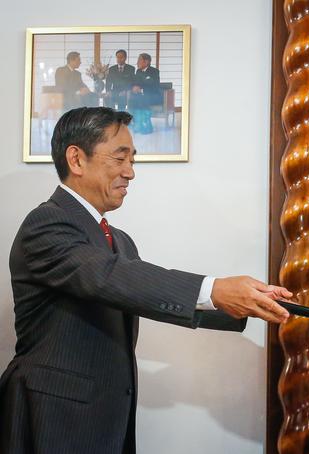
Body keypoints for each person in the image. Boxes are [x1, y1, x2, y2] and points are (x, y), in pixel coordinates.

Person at [0, 107, 292, 453]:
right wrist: (215, 290)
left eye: (133, 159)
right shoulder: (45, 225)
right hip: (54, 414)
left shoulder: (118, 239)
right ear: (76, 160)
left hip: (107, 416)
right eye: (120, 158)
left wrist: (245, 304)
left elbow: (138, 292)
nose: (131, 172)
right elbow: (111, 277)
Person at [128, 53, 161, 134]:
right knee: (132, 99)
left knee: (142, 99)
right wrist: (133, 88)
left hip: (153, 95)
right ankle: (137, 124)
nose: (137, 62)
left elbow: (154, 86)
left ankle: (147, 126)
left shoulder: (154, 71)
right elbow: (135, 82)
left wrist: (141, 90)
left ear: (146, 62)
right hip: (141, 96)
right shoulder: (138, 71)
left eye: (139, 60)